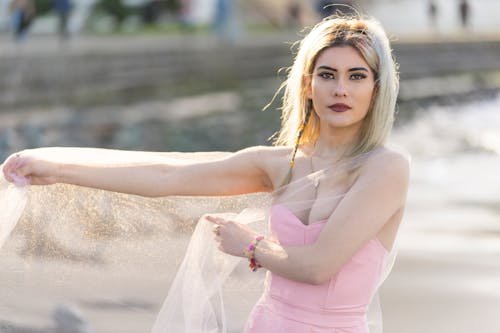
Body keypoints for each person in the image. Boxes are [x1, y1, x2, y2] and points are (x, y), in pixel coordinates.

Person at [2, 15, 409, 333]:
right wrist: (59, 170)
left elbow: (320, 266)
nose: (341, 89)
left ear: (376, 87)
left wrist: (251, 246)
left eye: (357, 76)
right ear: (307, 84)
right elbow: (167, 176)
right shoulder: (278, 164)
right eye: (328, 75)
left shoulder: (386, 169)